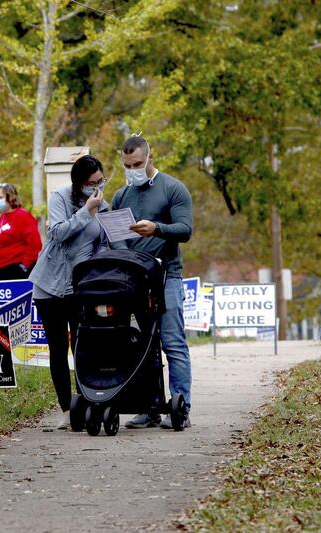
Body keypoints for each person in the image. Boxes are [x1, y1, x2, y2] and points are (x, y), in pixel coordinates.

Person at [111, 135, 193, 430]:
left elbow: (185, 230)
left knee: (172, 341)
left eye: (137, 163)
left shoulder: (172, 188)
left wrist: (156, 228)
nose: (132, 168)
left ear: (150, 158)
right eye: (127, 164)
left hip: (167, 275)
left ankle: (180, 406)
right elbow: (113, 234)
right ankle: (150, 407)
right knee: (143, 346)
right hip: (134, 280)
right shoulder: (122, 195)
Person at [29, 155, 109, 430]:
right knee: (58, 348)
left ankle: (86, 402)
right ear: (79, 183)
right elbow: (59, 232)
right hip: (51, 284)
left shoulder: (103, 204)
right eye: (91, 183)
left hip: (80, 286)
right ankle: (66, 409)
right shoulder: (60, 197)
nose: (97, 187)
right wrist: (87, 210)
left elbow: (102, 241)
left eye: (101, 181)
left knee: (83, 345)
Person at [0, 183, 42, 280]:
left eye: (0, 197)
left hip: (16, 271)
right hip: (0, 271)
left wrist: (25, 265)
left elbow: (35, 243)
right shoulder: (1, 219)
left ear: (10, 198)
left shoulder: (22, 215)